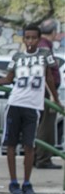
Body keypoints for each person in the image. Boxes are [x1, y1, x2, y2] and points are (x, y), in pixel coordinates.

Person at [0, 24, 61, 194]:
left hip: (33, 106)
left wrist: (56, 99)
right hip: (15, 103)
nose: (30, 41)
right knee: (11, 145)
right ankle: (13, 182)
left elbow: (49, 78)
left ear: (39, 39)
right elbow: (8, 79)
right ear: (23, 39)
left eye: (33, 37)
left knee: (29, 145)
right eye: (27, 37)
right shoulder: (17, 57)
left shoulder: (44, 55)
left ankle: (27, 182)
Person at [34, 19, 62, 170]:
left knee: (40, 125)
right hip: (45, 91)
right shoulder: (44, 47)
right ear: (53, 32)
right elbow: (45, 73)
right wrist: (53, 95)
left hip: (42, 90)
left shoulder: (40, 45)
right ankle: (43, 159)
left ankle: (37, 157)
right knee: (46, 126)